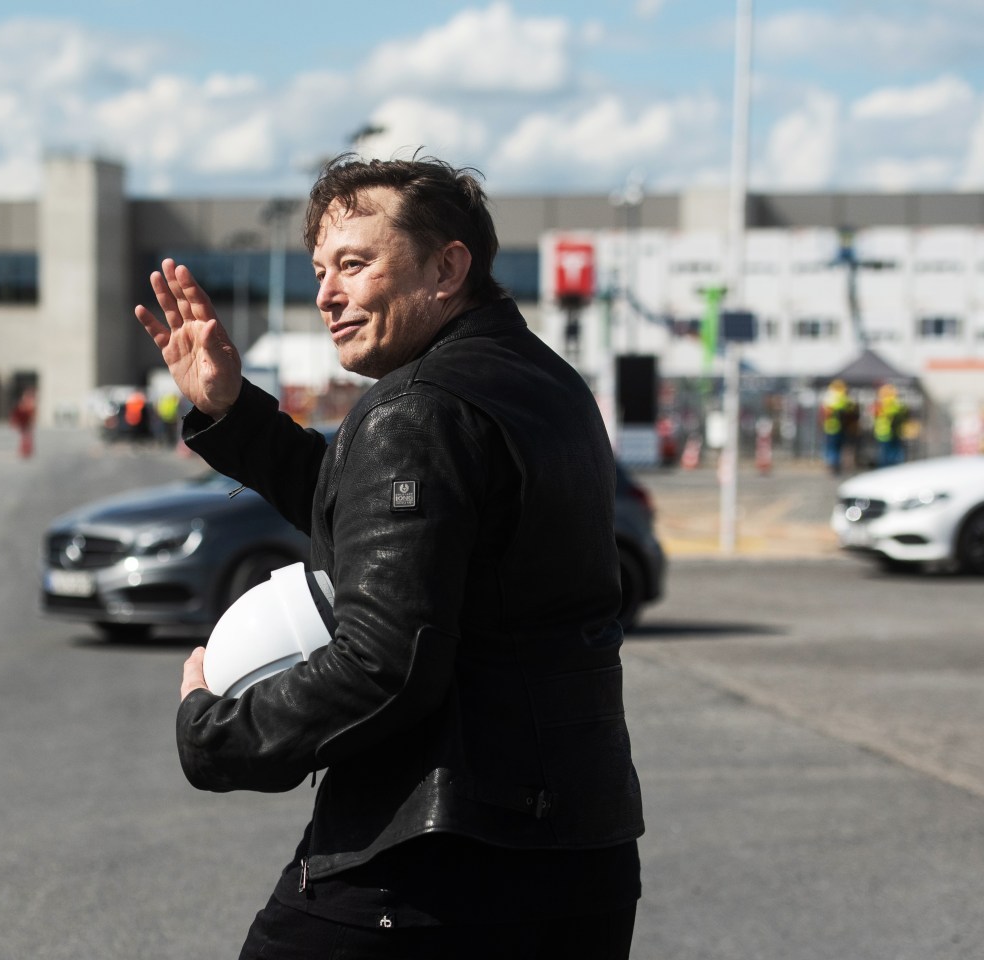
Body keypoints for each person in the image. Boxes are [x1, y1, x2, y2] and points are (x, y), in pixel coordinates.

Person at [135, 155, 644, 959]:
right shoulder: (544, 383)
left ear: (448, 267)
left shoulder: (419, 407)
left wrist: (215, 733)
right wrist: (233, 413)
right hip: (582, 853)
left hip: (431, 871)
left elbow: (385, 663)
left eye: (354, 263)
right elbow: (394, 533)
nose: (326, 295)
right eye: (319, 270)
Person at [820, 378, 855, 476]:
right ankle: (837, 466)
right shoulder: (845, 398)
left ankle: (833, 466)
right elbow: (851, 413)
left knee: (831, 448)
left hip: (831, 427)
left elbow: (825, 413)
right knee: (838, 448)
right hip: (843, 428)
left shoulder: (830, 397)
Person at [871, 383, 909, 467]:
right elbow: (903, 414)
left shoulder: (880, 403)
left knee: (885, 456)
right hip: (892, 432)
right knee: (893, 456)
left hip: (883, 433)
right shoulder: (895, 403)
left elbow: (874, 414)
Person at [11, 387, 37, 459]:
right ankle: (24, 451)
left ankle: (27, 451)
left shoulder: (30, 403)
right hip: (24, 422)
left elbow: (31, 413)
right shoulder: (25, 402)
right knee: (24, 437)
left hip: (27, 422)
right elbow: (18, 412)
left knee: (26, 437)